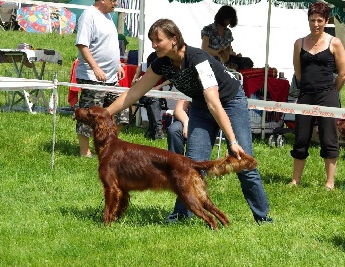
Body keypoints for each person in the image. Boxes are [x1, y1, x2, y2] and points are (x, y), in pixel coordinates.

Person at [106, 18, 272, 224]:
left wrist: (232, 142)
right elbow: (134, 93)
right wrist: (106, 113)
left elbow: (214, 103)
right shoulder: (161, 63)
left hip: (229, 102)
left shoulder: (197, 59)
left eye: (158, 40)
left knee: (242, 159)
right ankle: (182, 214)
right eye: (152, 41)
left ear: (174, 39)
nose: (154, 45)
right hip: (201, 106)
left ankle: (263, 216)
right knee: (189, 164)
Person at [289, 2, 345, 190]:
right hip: (305, 95)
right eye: (312, 20)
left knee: (329, 138)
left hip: (327, 95)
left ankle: (330, 183)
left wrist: (332, 93)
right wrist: (306, 88)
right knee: (301, 137)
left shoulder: (334, 43)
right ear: (308, 20)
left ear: (326, 21)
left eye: (319, 20)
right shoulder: (299, 43)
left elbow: (343, 73)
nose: (315, 24)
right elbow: (298, 73)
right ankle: (295, 180)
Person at [74, 0, 129, 157]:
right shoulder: (88, 15)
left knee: (121, 113)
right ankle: (85, 152)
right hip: (92, 76)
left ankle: (107, 147)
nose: (116, 3)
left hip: (112, 77)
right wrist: (95, 68)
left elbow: (109, 44)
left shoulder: (109, 17)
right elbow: (82, 45)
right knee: (88, 116)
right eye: (113, 0)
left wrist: (118, 64)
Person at [131, 51, 170, 139]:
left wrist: (159, 86)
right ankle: (158, 129)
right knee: (153, 100)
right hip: (143, 94)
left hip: (156, 94)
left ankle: (154, 130)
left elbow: (172, 79)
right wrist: (138, 81)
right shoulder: (141, 66)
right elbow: (132, 83)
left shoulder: (164, 67)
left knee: (153, 99)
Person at [201, 5, 252, 70]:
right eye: (227, 19)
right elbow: (204, 49)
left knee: (247, 62)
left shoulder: (228, 32)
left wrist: (234, 55)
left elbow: (229, 49)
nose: (228, 22)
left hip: (226, 63)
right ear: (222, 17)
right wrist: (220, 54)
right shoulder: (208, 29)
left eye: (230, 20)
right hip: (211, 62)